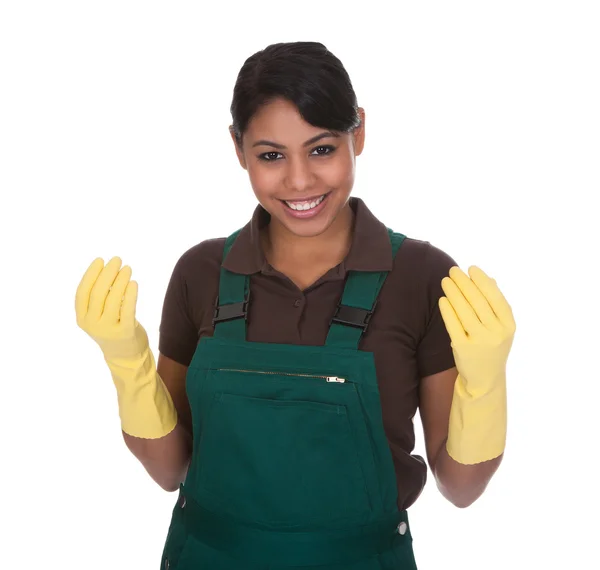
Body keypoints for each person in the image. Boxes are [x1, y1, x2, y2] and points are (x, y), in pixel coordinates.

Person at [75, 41, 516, 569]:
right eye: (271, 156)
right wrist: (126, 363)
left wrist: (486, 383)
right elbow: (170, 472)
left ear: (359, 133)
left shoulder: (423, 277)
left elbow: (461, 488)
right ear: (238, 150)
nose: (300, 180)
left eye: (322, 149)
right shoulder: (201, 273)